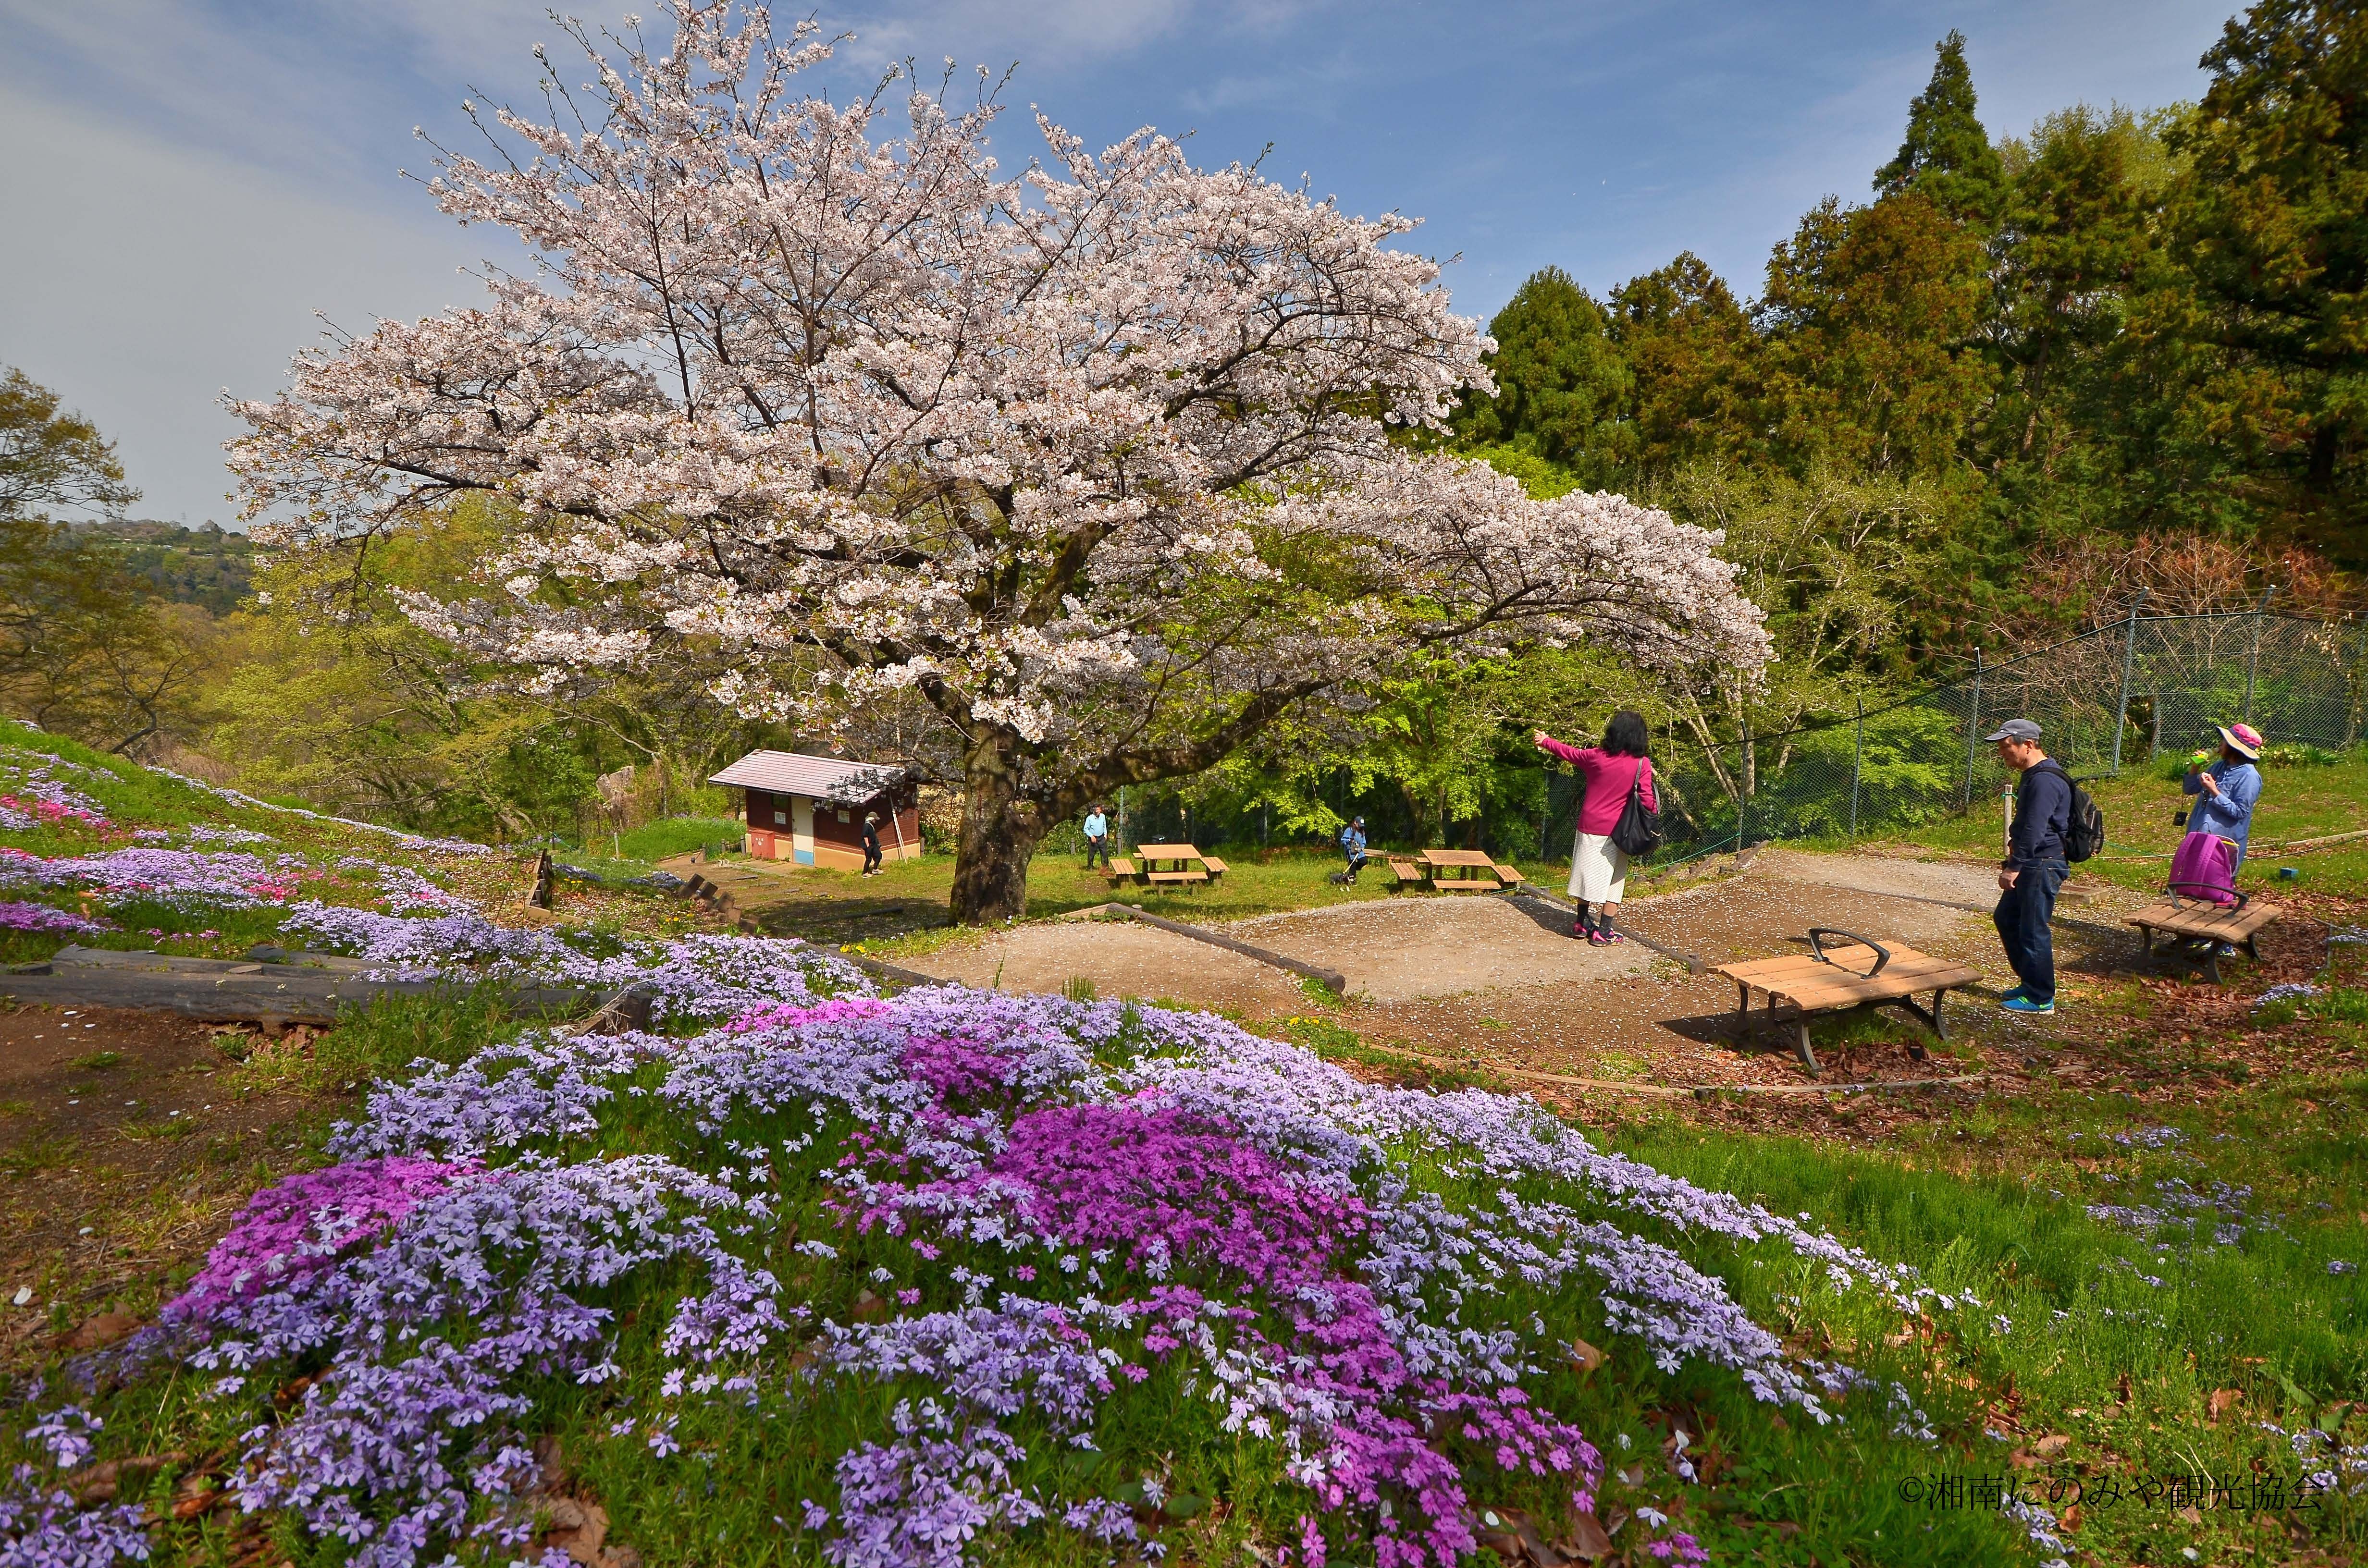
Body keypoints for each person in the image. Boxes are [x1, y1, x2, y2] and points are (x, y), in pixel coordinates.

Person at [1531, 711, 1655, 945]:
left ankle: (1581, 924)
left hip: (1588, 825)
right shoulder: (1641, 764)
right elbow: (1647, 799)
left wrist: (1545, 741)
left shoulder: (1596, 757)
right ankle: (1604, 931)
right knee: (1615, 879)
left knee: (1584, 874)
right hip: (1618, 830)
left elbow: (1569, 753)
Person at [1986, 718, 2071, 1015]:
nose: (2002, 754)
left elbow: (2035, 829)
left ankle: (2041, 997)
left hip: (2042, 863)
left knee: (2033, 929)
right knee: (2007, 918)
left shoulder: (2045, 780)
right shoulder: (2033, 776)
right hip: (2034, 862)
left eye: (2006, 748)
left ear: (2029, 745)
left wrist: (2014, 867)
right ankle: (2030, 981)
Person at [2181, 722, 2265, 873]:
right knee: (2190, 881)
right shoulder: (2219, 767)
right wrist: (2195, 767)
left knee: (2212, 885)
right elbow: (2189, 789)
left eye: (2225, 742)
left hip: (2222, 842)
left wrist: (2214, 791)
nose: (2221, 744)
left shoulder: (2249, 776)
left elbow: (2240, 812)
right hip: (2198, 833)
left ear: (2234, 748)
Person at [1338, 816, 1369, 882]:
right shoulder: (1349, 830)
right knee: (1353, 865)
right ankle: (1352, 880)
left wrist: (1363, 846)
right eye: (1359, 825)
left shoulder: (1362, 832)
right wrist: (1349, 841)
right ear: (1355, 823)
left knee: (1364, 861)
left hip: (1359, 850)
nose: (1360, 827)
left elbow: (1364, 841)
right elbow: (1343, 840)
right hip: (1350, 851)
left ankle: (1354, 869)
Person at [1082, 803, 1110, 870]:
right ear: (1093, 811)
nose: (1097, 811)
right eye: (1095, 810)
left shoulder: (1103, 816)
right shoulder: (1089, 818)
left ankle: (1105, 867)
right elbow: (1085, 829)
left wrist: (1106, 834)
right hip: (1093, 838)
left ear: (1100, 810)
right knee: (1091, 854)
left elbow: (1104, 826)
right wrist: (1091, 836)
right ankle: (1090, 867)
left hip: (1102, 838)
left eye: (1098, 810)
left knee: (1105, 853)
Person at [860, 812, 883, 876]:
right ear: (871, 819)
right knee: (869, 859)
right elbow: (865, 836)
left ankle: (875, 869)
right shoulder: (866, 826)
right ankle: (865, 873)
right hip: (869, 845)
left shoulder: (871, 825)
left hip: (874, 844)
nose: (875, 821)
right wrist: (868, 845)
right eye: (875, 819)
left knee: (879, 855)